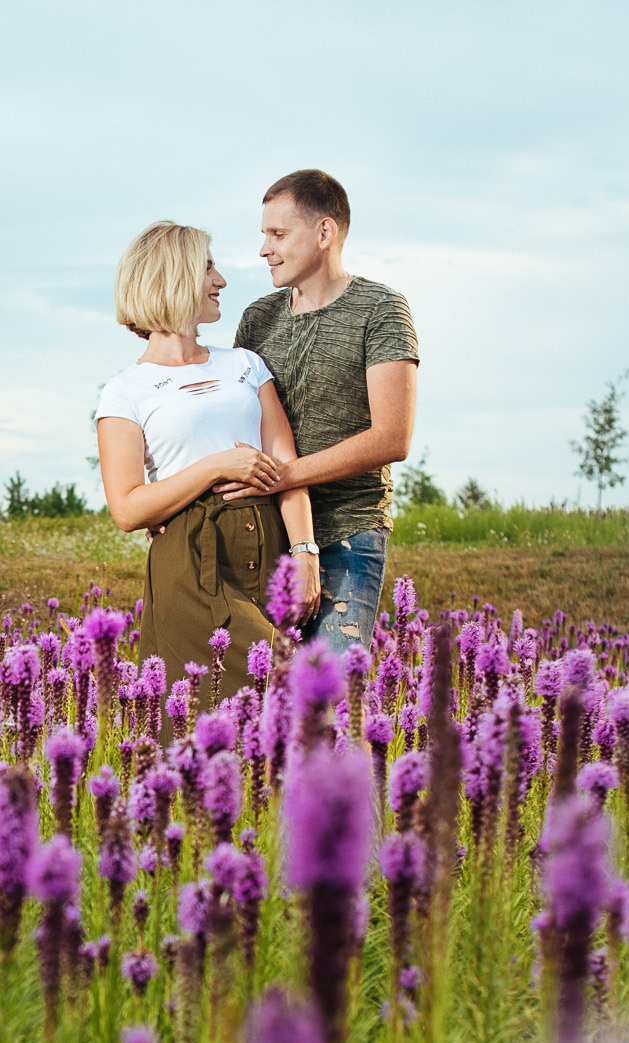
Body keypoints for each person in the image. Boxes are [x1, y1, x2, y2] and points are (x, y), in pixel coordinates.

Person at [94, 220, 319, 699]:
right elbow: (128, 509)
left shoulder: (244, 364)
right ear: (173, 277)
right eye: (208, 268)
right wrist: (217, 466)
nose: (221, 281)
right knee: (223, 708)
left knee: (288, 715)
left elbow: (287, 465)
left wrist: (304, 552)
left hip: (270, 546)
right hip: (193, 561)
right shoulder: (124, 392)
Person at [229, 168, 419, 649]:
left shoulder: (381, 309)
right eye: (263, 234)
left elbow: (391, 438)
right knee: (260, 706)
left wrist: (288, 476)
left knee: (329, 701)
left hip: (348, 533)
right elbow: (233, 420)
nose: (264, 248)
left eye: (278, 234)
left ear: (324, 232)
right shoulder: (257, 319)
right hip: (264, 531)